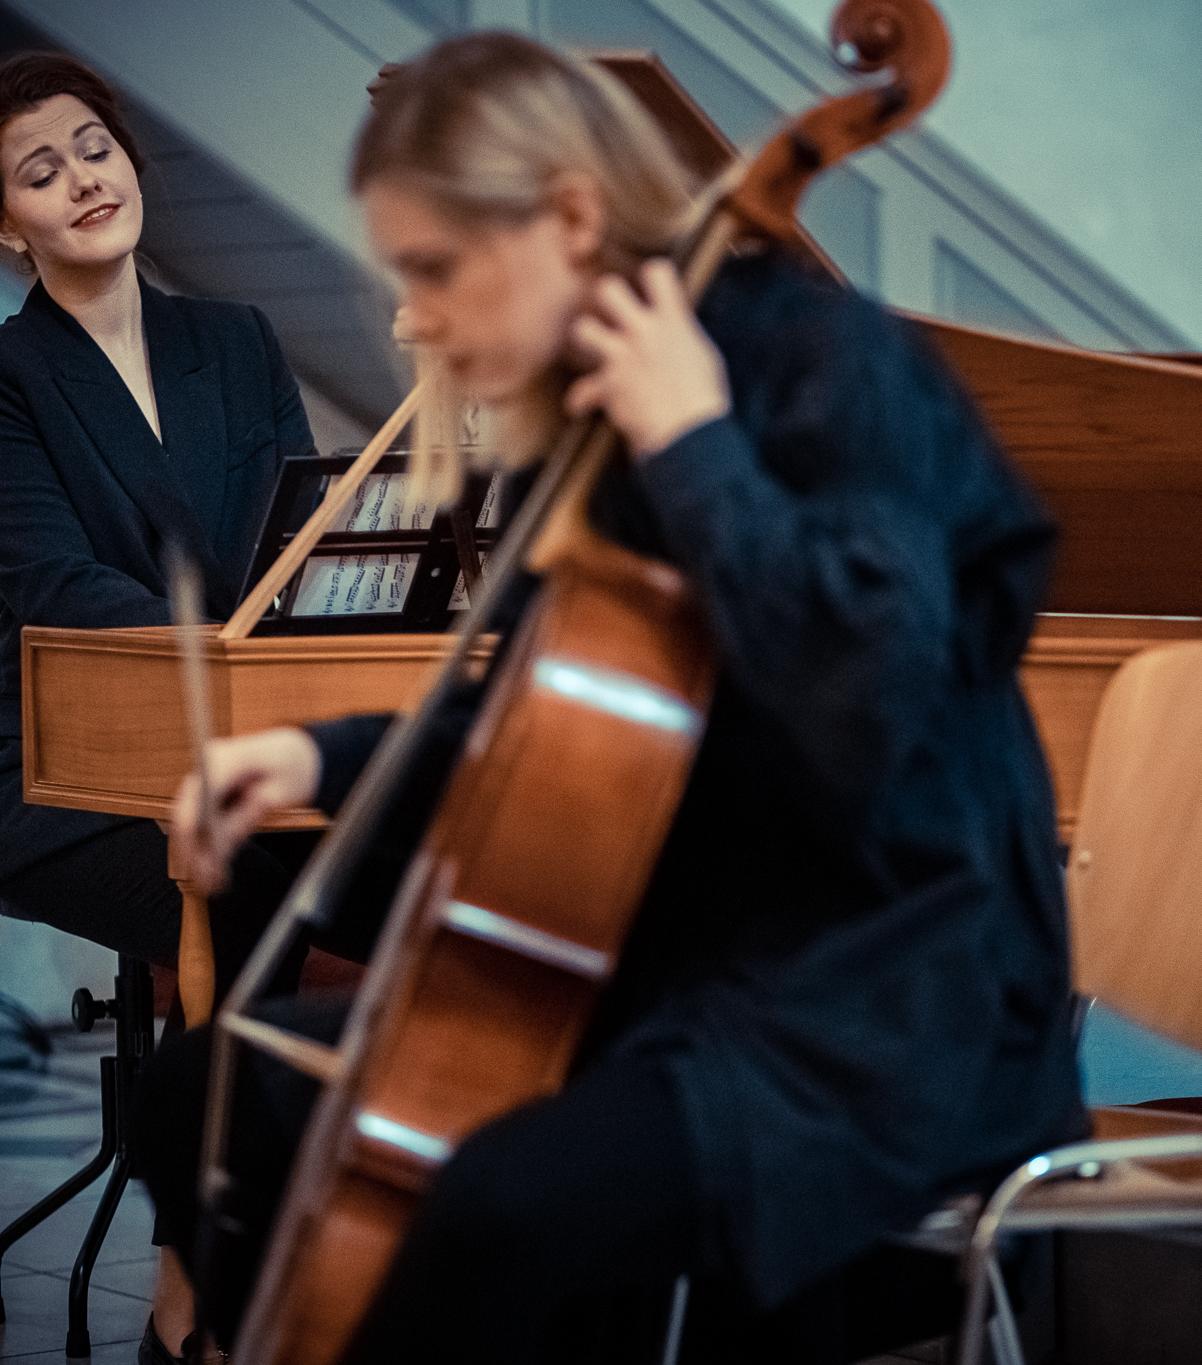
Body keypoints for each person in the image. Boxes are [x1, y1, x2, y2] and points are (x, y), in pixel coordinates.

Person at [138, 31, 1086, 1364]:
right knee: (205, 1090)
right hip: (690, 983)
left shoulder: (826, 368)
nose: (415, 317)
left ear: (573, 219)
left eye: (434, 268)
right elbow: (559, 739)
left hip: (886, 1015)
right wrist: (315, 759)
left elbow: (865, 693)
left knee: (500, 1208)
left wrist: (694, 444)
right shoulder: (594, 420)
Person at [0, 51, 327, 1365]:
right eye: (40, 172)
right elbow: (53, 581)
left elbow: (294, 544)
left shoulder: (239, 337)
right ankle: (195, 1285)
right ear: (6, 223)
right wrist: (223, 651)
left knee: (350, 858)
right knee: (255, 882)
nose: (82, 181)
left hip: (231, 750)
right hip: (63, 777)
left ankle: (288, 1240)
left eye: (93, 147)